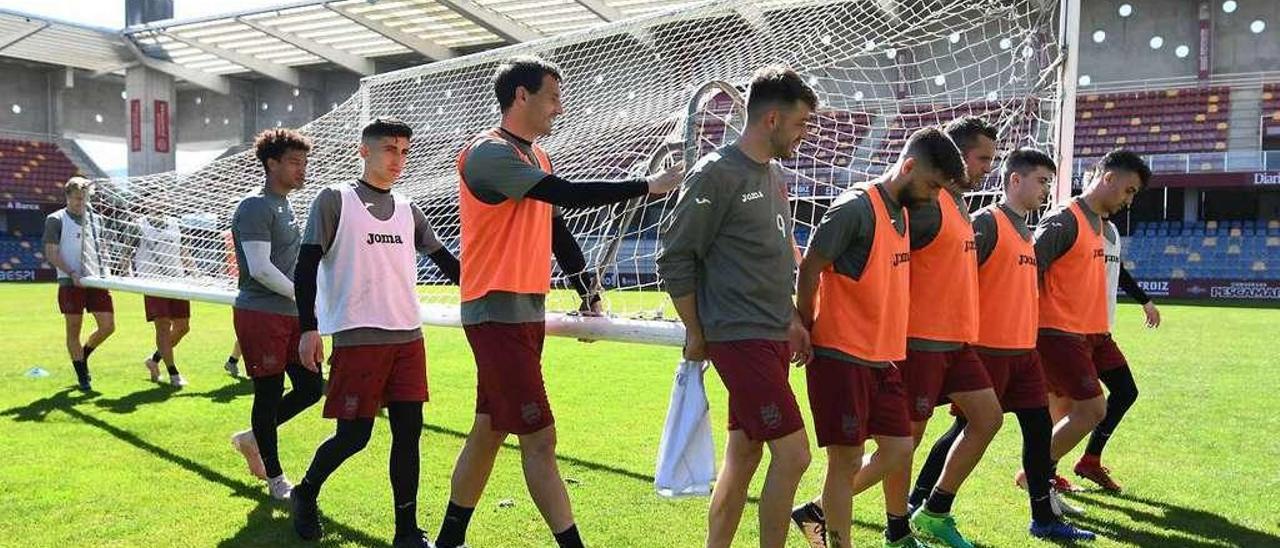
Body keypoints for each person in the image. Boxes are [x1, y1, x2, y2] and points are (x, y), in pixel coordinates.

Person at [435, 56, 682, 548]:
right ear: (521, 96)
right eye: (552, 96)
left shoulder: (537, 157)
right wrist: (645, 186)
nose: (560, 107)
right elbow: (565, 197)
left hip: (522, 312)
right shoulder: (487, 153)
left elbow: (555, 225)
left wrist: (586, 288)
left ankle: (448, 540)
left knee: (488, 430)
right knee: (540, 438)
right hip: (495, 311)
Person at [658, 65, 816, 548]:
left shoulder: (774, 175)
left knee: (744, 454)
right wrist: (696, 329)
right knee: (793, 456)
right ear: (771, 120)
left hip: (769, 336)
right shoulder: (716, 173)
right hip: (738, 336)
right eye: (799, 125)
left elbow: (771, 256)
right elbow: (675, 256)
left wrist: (790, 317)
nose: (804, 136)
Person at [289, 118, 461, 547]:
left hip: (408, 337)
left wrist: (489, 290)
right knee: (354, 436)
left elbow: (448, 263)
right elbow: (305, 266)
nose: (398, 159)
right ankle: (305, 492)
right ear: (364, 151)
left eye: (404, 150)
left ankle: (406, 531)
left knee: (409, 433)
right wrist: (308, 329)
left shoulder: (409, 209)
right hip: (357, 336)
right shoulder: (335, 200)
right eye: (389, 149)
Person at [789, 127, 965, 548]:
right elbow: (810, 267)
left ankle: (814, 514)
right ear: (907, 167)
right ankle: (837, 543)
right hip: (841, 355)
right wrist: (803, 324)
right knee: (846, 460)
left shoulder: (901, 212)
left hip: (881, 356)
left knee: (899, 448)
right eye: (932, 185)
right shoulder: (854, 208)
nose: (935, 195)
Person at [908, 149, 1096, 541]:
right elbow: (957, 280)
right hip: (987, 350)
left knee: (1039, 430)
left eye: (1048, 182)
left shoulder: (1028, 231)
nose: (1046, 190)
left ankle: (1043, 518)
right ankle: (921, 502)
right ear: (1015, 180)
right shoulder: (987, 224)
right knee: (965, 429)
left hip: (1024, 353)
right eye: (1041, 181)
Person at [1033, 149, 1151, 503]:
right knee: (1088, 409)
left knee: (1120, 393)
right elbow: (1028, 270)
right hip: (1060, 332)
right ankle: (1037, 475)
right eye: (1128, 191)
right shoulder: (1064, 219)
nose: (1129, 201)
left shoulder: (1102, 226)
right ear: (1108, 178)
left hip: (1097, 332)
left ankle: (1052, 472)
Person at [227, 128, 324, 501]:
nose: (303, 170)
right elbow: (260, 268)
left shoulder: (286, 205)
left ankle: (251, 438)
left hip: (291, 314)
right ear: (271, 164)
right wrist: (306, 300)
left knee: (311, 388)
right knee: (268, 395)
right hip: (261, 314)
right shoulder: (255, 206)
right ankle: (275, 478)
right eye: (295, 163)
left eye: (305, 162)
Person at [43, 177, 114, 391]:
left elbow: (102, 249)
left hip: (95, 280)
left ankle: (83, 356)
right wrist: (72, 272)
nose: (80, 203)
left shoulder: (96, 220)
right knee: (73, 330)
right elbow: (51, 253)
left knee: (108, 327)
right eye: (76, 199)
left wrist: (108, 267)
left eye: (83, 199)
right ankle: (82, 375)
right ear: (67, 197)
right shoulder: (56, 219)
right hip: (69, 282)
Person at [135, 213, 193, 386]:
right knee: (163, 326)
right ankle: (173, 373)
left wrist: (194, 272)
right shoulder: (138, 225)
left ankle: (153, 360)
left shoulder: (176, 223)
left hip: (177, 281)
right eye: (155, 197)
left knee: (183, 327)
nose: (160, 202)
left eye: (163, 197)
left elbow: (184, 250)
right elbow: (126, 251)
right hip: (153, 283)